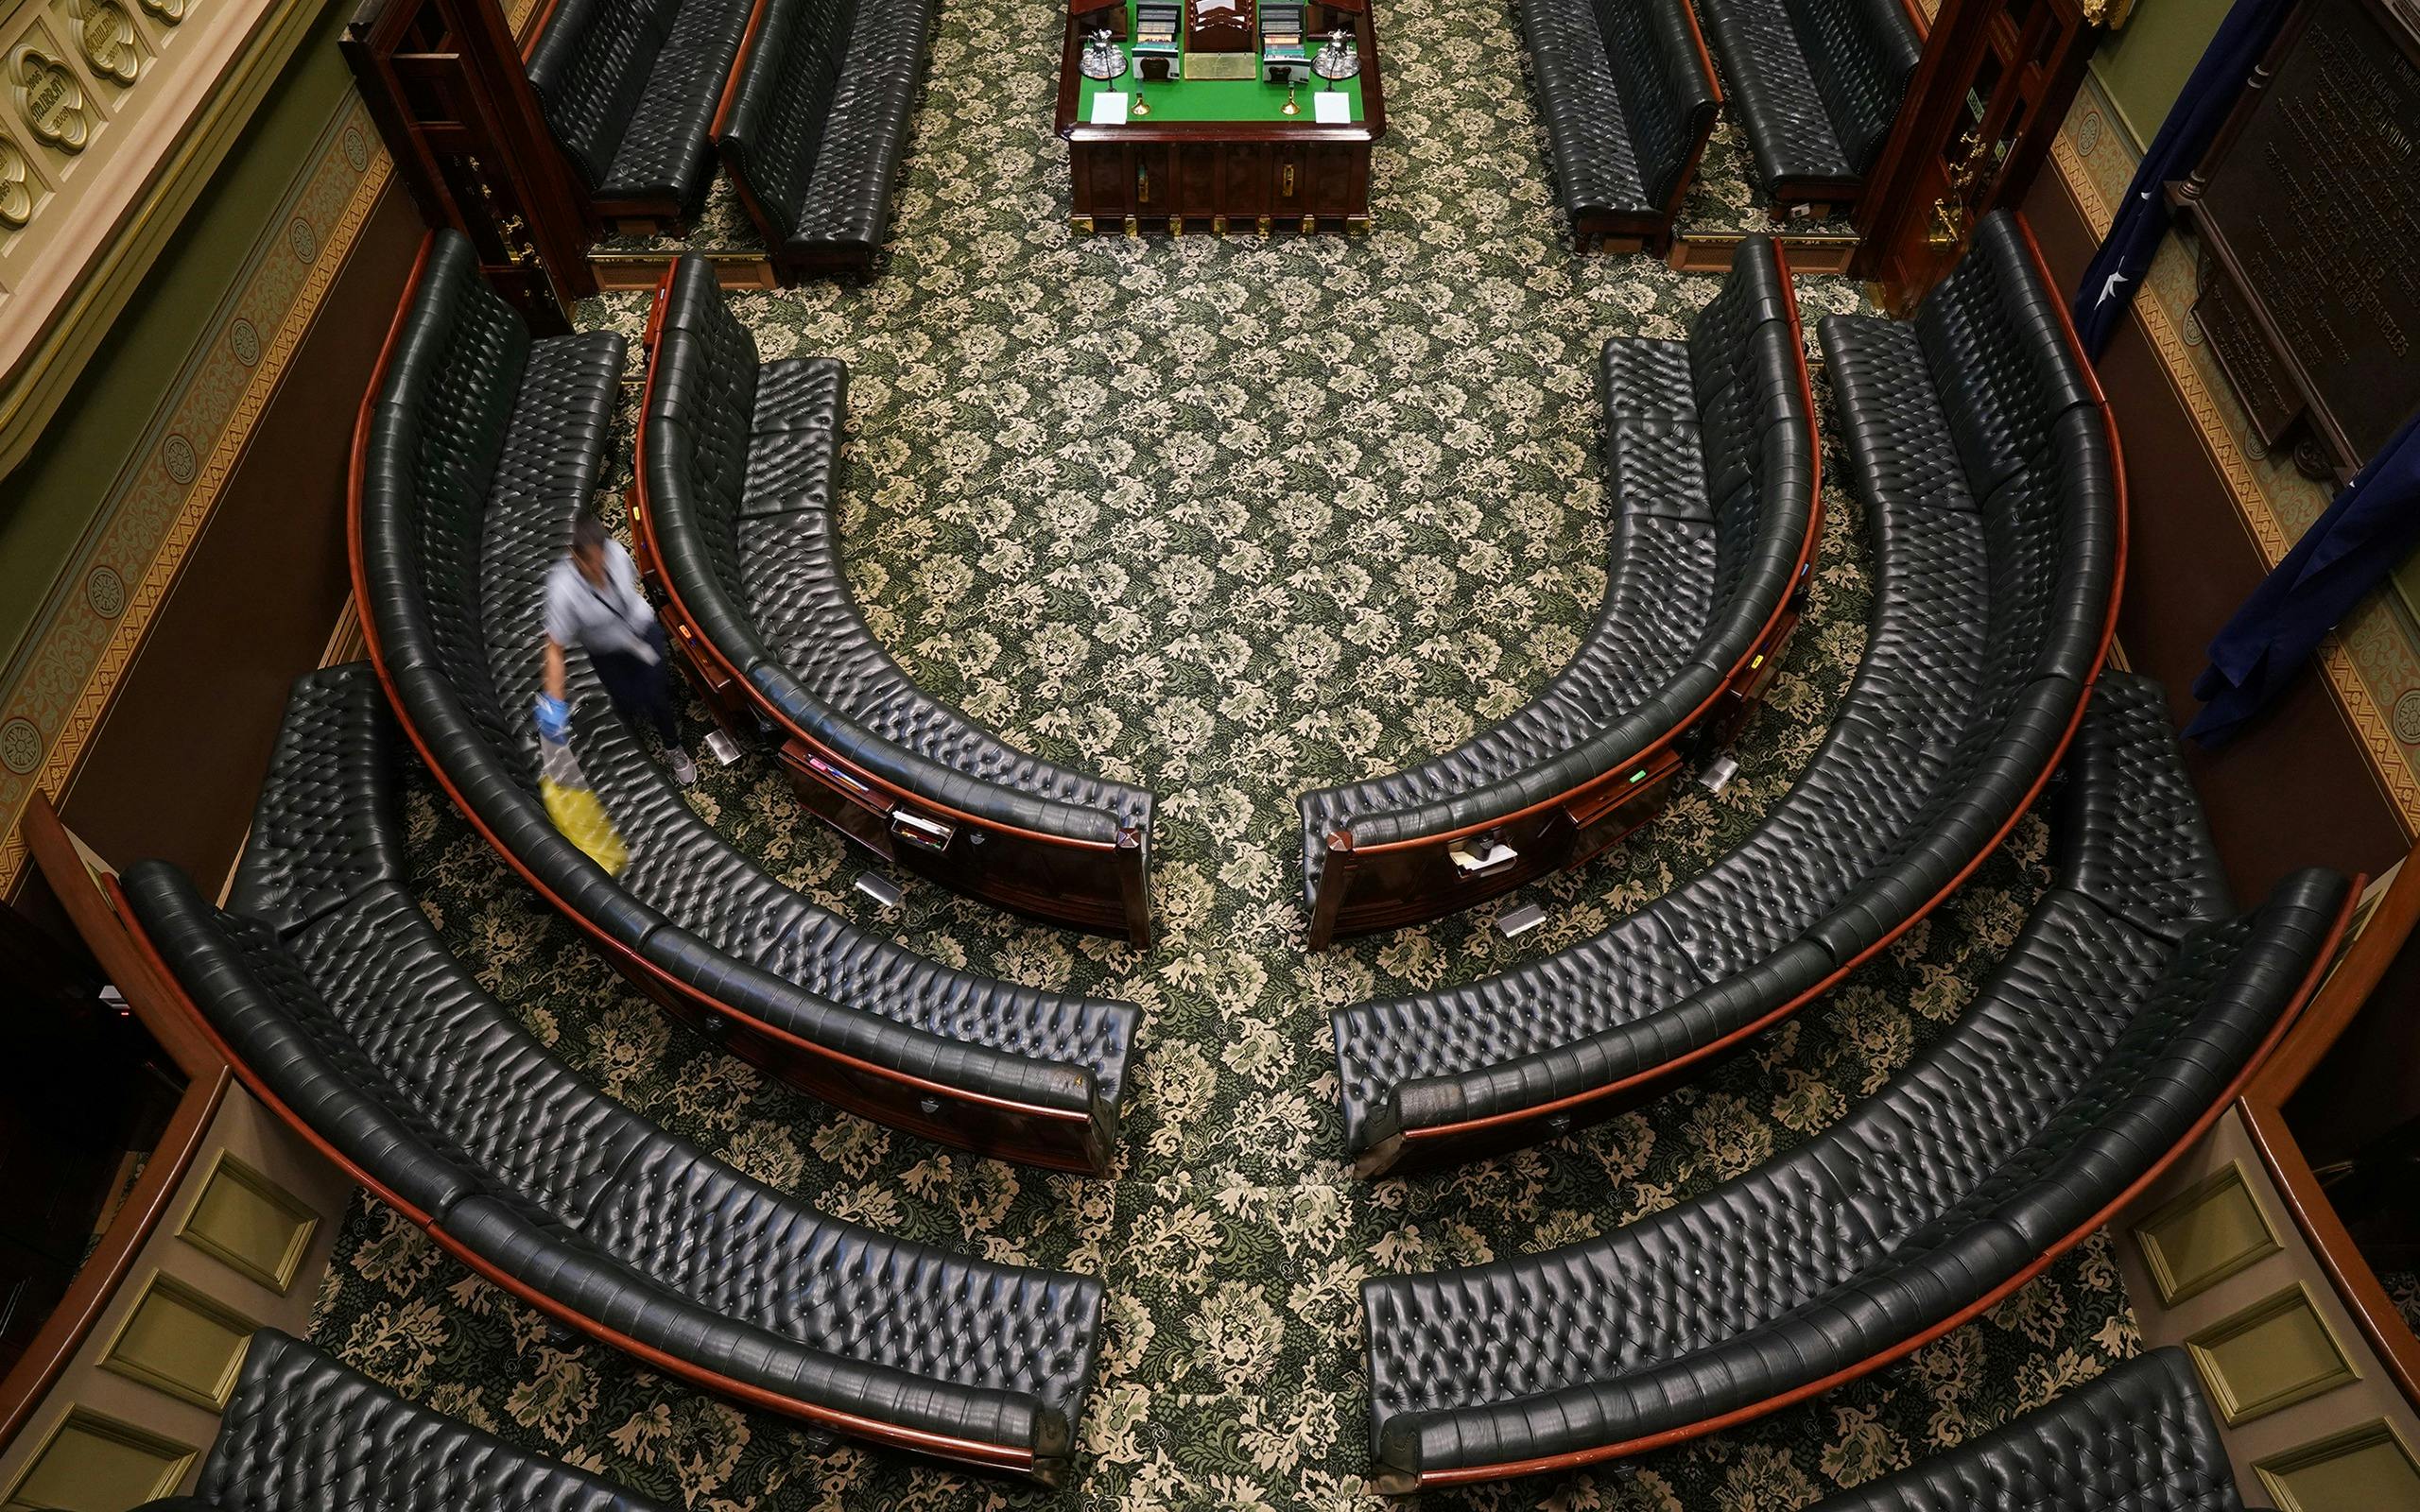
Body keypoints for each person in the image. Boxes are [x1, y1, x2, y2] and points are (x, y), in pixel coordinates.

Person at [538, 514, 697, 786]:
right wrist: (554, 702)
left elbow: (632, 588)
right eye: (590, 564)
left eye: (602, 561)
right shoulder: (561, 590)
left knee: (657, 696)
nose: (598, 570)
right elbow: (554, 649)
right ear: (573, 556)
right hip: (606, 652)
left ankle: (673, 747)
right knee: (627, 700)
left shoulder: (618, 554)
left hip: (641, 632)